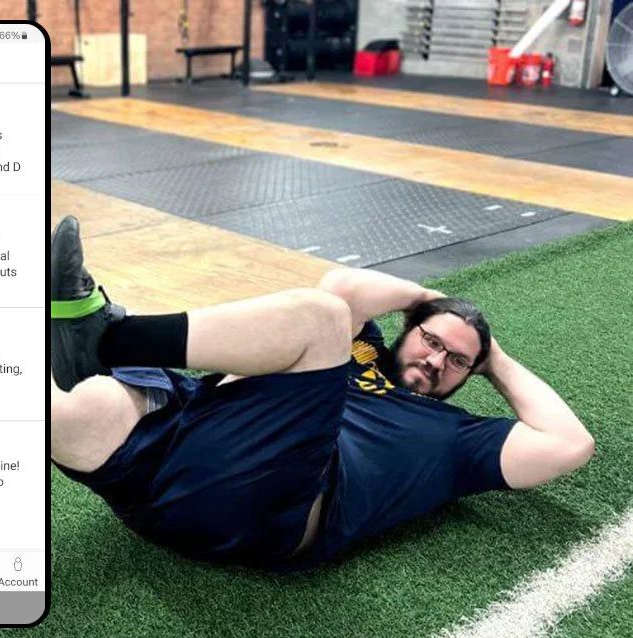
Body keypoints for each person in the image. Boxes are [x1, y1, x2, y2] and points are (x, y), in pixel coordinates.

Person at [50, 216, 595, 571]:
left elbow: (569, 444)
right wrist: (436, 300)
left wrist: (491, 355)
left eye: (456, 361)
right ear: (409, 330)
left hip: (255, 507)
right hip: (169, 468)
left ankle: (106, 338)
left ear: (470, 375)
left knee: (319, 317)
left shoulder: (459, 440)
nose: (435, 360)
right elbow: (347, 286)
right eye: (431, 341)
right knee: (86, 402)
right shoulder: (360, 351)